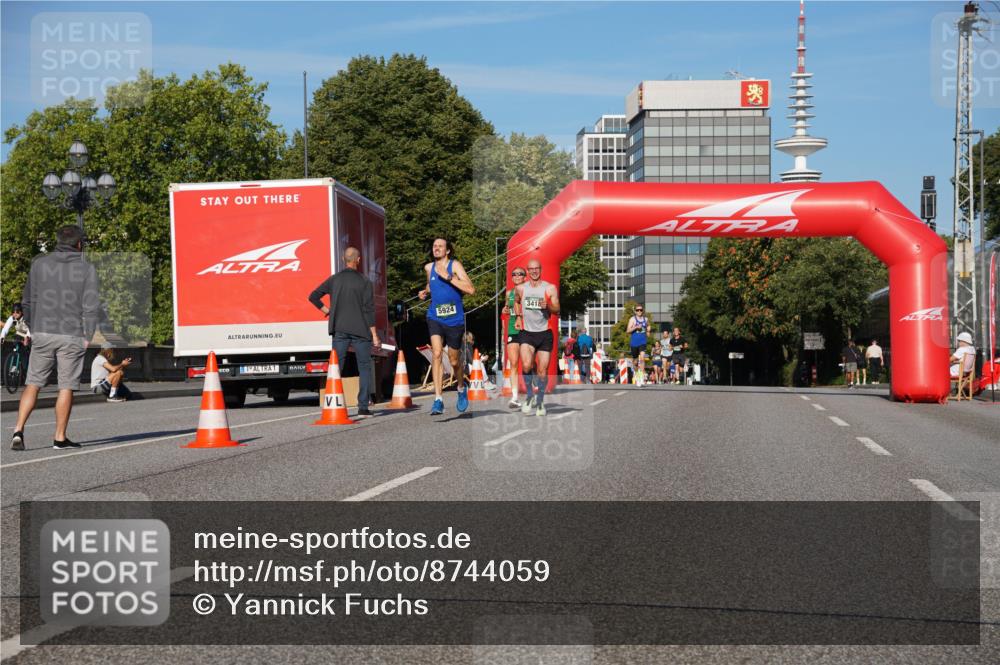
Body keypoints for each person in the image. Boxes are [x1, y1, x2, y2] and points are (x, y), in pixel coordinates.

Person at [11, 225, 100, 451]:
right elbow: (91, 306)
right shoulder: (87, 269)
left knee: (33, 383)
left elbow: (27, 300)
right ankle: (59, 437)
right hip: (71, 334)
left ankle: (18, 430)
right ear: (79, 244)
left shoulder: (40, 264)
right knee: (66, 386)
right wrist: (88, 335)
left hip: (42, 331)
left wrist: (32, 326)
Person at [309, 246, 380, 418]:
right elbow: (369, 310)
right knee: (364, 367)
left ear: (343, 259)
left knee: (336, 367)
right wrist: (375, 335)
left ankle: (334, 403)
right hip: (361, 331)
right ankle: (363, 406)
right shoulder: (364, 282)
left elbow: (313, 296)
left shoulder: (334, 280)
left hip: (339, 330)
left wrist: (326, 309)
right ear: (358, 260)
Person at [418, 238, 475, 416]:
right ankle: (438, 399)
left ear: (447, 250)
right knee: (436, 353)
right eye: (434, 246)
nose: (436, 248)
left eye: (440, 246)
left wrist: (449, 277)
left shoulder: (455, 266)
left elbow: (471, 289)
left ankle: (460, 388)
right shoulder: (429, 268)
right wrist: (425, 292)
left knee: (454, 361)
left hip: (454, 320)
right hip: (435, 316)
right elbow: (432, 283)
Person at [515, 259, 560, 416]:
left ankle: (540, 401)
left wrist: (547, 305)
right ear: (527, 271)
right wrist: (519, 317)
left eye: (537, 269)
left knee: (542, 370)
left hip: (544, 333)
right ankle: (529, 396)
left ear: (541, 270)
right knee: (526, 365)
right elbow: (516, 301)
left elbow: (557, 309)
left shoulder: (549, 288)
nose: (534, 271)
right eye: (531, 269)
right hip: (527, 332)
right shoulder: (520, 288)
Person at [502, 266, 527, 407]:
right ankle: (515, 397)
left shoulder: (529, 291)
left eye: (520, 274)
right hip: (512, 330)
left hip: (527, 329)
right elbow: (507, 309)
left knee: (527, 363)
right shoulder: (509, 293)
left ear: (525, 277)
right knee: (514, 363)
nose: (517, 276)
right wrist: (504, 309)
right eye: (514, 274)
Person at [1, 303, 31, 387]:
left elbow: (30, 328)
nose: (15, 314)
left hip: (29, 334)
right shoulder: (12, 318)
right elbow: (5, 328)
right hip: (19, 334)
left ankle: (26, 371)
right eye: (13, 312)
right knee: (15, 348)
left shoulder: (26, 318)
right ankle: (14, 367)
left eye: (17, 312)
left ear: (21, 312)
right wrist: (2, 337)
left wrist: (27, 338)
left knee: (26, 354)